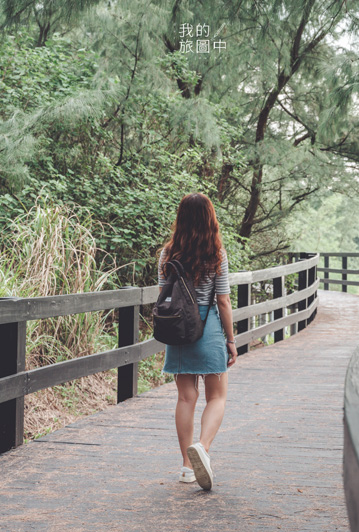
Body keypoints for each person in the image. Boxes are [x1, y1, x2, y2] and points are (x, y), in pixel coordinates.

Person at [157, 192, 237, 491]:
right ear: (209, 218)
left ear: (181, 218)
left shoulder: (167, 254)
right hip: (209, 327)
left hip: (178, 330)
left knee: (185, 397)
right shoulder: (216, 254)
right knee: (217, 396)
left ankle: (187, 467)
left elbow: (164, 295)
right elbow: (224, 301)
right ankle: (202, 446)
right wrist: (231, 340)